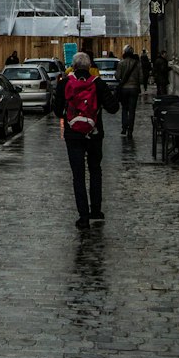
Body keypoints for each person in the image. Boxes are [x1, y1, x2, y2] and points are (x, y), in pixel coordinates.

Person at [53, 51, 118, 231]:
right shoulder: (98, 84)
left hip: (73, 135)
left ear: (73, 67)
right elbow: (113, 108)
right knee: (95, 170)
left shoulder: (64, 83)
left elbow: (57, 111)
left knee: (78, 175)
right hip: (94, 133)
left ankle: (83, 217)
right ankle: (95, 210)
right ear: (90, 67)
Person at [116, 44, 141, 137]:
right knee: (132, 110)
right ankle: (130, 130)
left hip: (124, 89)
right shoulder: (137, 63)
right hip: (134, 88)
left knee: (124, 109)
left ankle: (124, 127)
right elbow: (141, 78)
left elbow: (117, 76)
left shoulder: (121, 63)